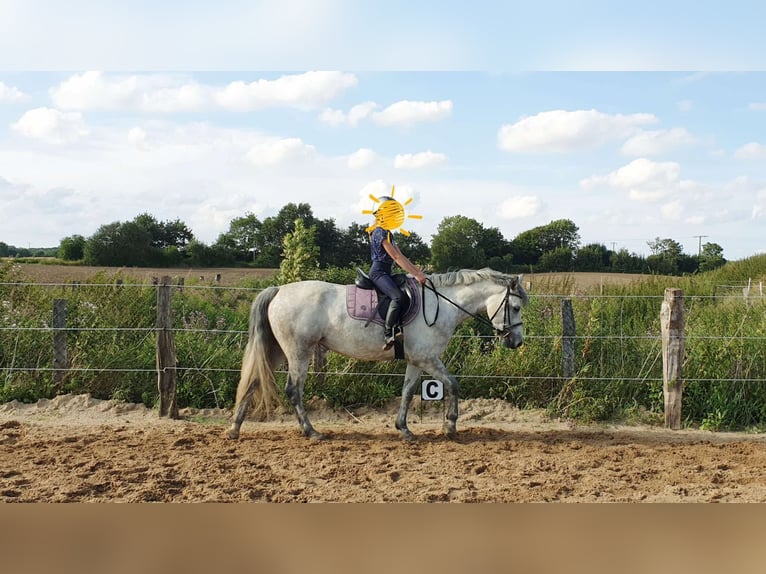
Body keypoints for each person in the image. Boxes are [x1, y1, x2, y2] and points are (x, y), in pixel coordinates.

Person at [368, 196, 428, 350]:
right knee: (397, 296)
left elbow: (401, 256)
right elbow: (395, 257)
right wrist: (416, 274)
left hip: (386, 272)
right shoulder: (379, 232)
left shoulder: (388, 233)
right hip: (378, 272)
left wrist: (418, 272)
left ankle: (400, 326)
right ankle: (388, 333)